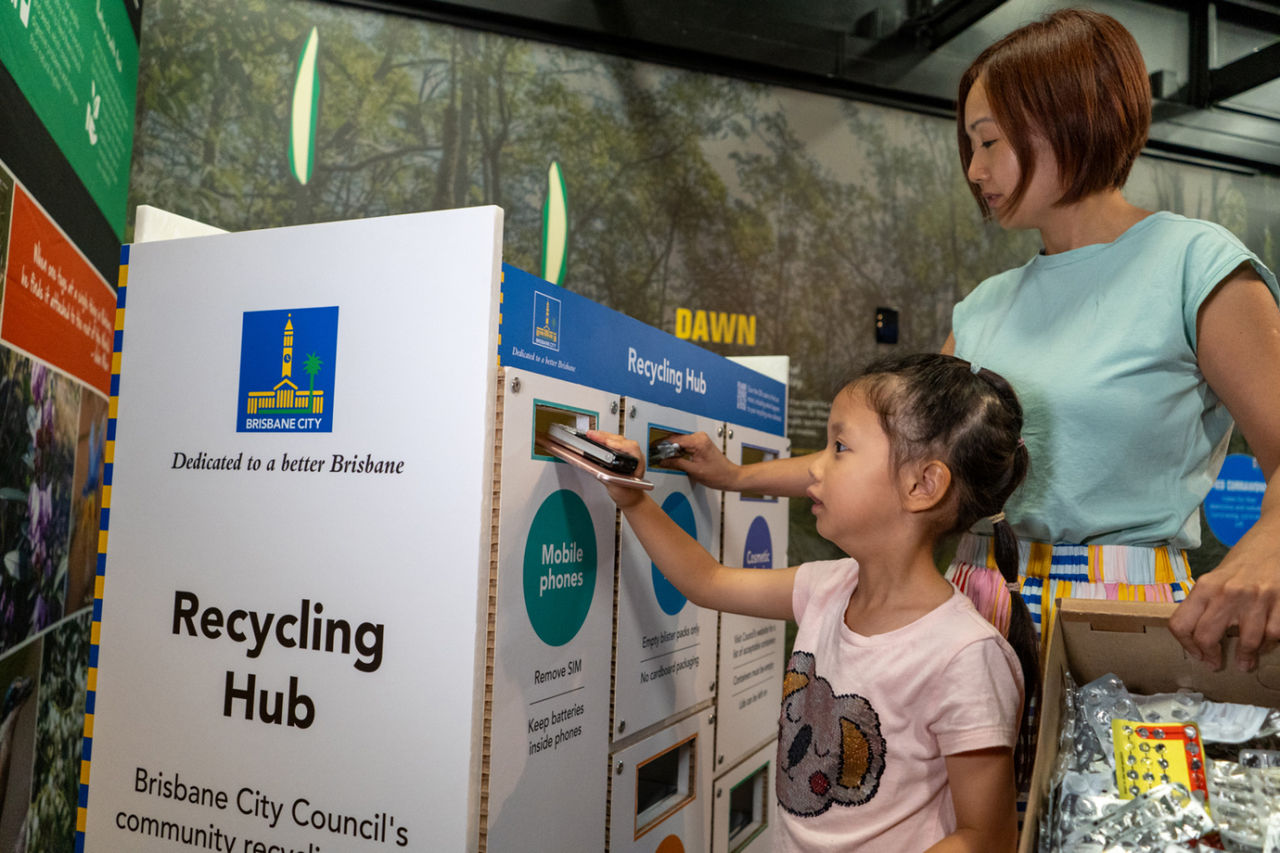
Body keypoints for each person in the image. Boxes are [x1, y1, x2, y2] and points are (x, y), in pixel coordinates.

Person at [665, 8, 1280, 672]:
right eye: (970, 146)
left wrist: (1267, 543)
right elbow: (898, 457)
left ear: (1068, 119)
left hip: (1124, 619)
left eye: (989, 142)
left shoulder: (1194, 263)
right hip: (968, 612)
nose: (974, 170)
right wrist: (734, 476)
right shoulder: (984, 306)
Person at [590, 353, 1037, 852]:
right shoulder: (828, 587)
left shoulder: (965, 656)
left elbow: (988, 838)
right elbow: (707, 581)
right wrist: (631, 495)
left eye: (839, 447)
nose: (815, 469)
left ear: (922, 485)